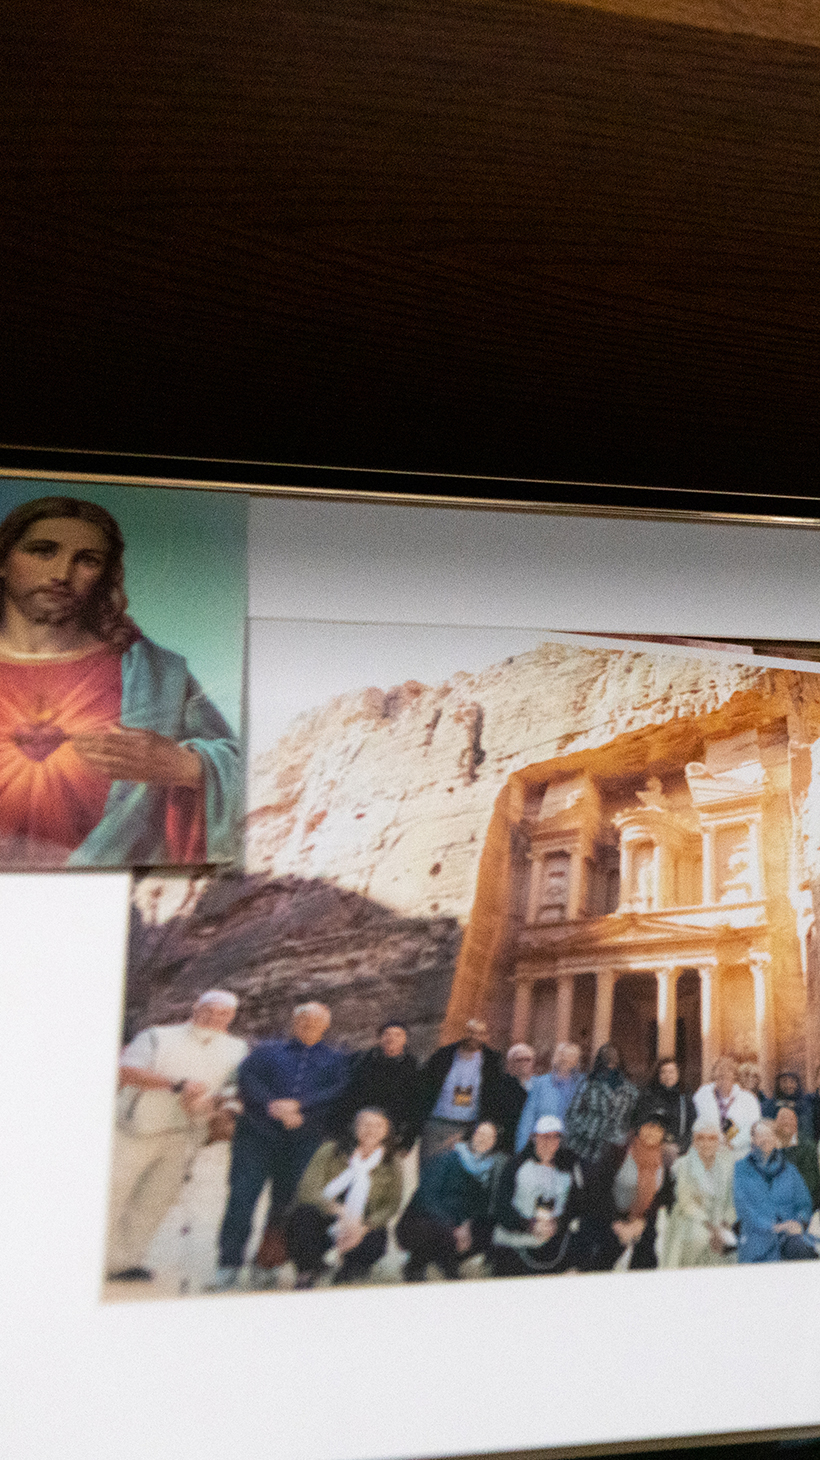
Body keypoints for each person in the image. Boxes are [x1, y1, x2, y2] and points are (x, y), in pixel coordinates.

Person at [0, 495, 240, 867]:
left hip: (116, 901)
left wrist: (185, 766)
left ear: (105, 575)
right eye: (43, 551)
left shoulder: (156, 674)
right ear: (4, 561)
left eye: (87, 560)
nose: (62, 573)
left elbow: (242, 768)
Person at [107, 990, 248, 1281]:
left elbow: (233, 1089)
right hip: (138, 1127)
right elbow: (126, 1071)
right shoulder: (158, 1036)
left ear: (232, 1017)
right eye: (209, 1009)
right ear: (195, 1007)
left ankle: (123, 1263)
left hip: (186, 1135)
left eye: (224, 1013)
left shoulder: (236, 1048)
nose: (215, 1017)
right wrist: (176, 1085)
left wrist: (218, 1105)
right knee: (113, 1193)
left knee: (155, 1200)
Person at [213, 1002, 349, 1289]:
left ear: (326, 1026)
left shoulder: (335, 1059)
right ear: (293, 1021)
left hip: (303, 1140)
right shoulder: (265, 1052)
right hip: (256, 1137)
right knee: (241, 1198)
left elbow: (337, 1090)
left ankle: (268, 1260)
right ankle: (228, 1262)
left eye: (316, 1021)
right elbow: (247, 1079)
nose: (309, 1025)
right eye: (303, 1019)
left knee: (285, 1203)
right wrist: (272, 1105)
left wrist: (299, 1105)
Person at [283, 1109, 403, 1288]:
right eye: (365, 1124)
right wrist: (340, 1211)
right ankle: (308, 1270)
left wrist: (363, 1227)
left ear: (387, 1131)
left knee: (376, 1239)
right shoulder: (331, 1150)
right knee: (303, 1217)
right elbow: (307, 1190)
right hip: (327, 1212)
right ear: (354, 1127)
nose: (371, 1130)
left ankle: (350, 1272)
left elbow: (391, 1205)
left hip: (362, 1221)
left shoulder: (391, 1163)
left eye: (378, 1125)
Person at [396, 1121, 502, 1281]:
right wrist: (453, 1227)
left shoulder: (485, 1171)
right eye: (480, 1134)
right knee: (436, 1232)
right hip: (422, 1220)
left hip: (455, 1226)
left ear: (494, 1142)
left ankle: (444, 1260)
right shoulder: (448, 1158)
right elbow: (426, 1198)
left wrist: (466, 1225)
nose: (483, 1139)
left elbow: (478, 1205)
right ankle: (424, 1266)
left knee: (485, 1229)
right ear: (472, 1135)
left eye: (489, 1136)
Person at [574, 1105, 674, 1272]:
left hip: (641, 1221)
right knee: (601, 1262)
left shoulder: (664, 1159)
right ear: (638, 1128)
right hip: (608, 1217)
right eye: (648, 1126)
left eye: (658, 1129)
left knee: (645, 1264)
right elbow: (598, 1190)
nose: (652, 1132)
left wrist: (641, 1223)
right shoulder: (619, 1152)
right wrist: (617, 1224)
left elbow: (662, 1197)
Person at [490, 1115, 577, 1277]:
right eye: (544, 1137)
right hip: (516, 1242)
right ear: (534, 1138)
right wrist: (529, 1225)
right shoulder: (515, 1165)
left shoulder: (566, 1170)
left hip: (552, 1243)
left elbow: (572, 1207)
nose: (548, 1143)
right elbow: (501, 1208)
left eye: (554, 1137)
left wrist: (556, 1224)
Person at [417, 1018, 507, 1162]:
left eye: (479, 1033)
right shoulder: (443, 1055)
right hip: (438, 1125)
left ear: (486, 1036)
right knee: (430, 1171)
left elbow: (495, 1096)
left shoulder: (492, 1061)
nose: (473, 1036)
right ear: (463, 1032)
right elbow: (424, 1086)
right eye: (470, 1032)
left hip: (468, 1128)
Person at [733, 1118, 818, 1262]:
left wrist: (799, 1223)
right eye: (761, 1135)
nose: (766, 1139)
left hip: (789, 1234)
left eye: (770, 1135)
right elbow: (744, 1209)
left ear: (776, 1140)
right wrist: (773, 1227)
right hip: (757, 1234)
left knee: (805, 1250)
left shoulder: (790, 1170)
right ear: (752, 1139)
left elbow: (804, 1204)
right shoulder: (740, 1170)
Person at [661, 1116, 737, 1269]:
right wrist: (712, 1228)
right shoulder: (683, 1165)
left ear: (718, 1142)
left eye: (712, 1139)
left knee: (732, 1245)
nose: (706, 1143)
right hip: (691, 1219)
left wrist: (725, 1223)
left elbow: (732, 1201)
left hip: (720, 1221)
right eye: (701, 1138)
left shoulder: (727, 1166)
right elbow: (686, 1202)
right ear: (694, 1141)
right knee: (699, 1238)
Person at [336, 1022, 419, 1152]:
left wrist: (408, 1139)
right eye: (387, 1034)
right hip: (360, 1126)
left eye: (398, 1035)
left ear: (405, 1039)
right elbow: (348, 1094)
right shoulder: (363, 1061)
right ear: (379, 1038)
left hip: (392, 1131)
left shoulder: (413, 1067)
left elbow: (415, 1105)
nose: (391, 1038)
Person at [563, 1043, 638, 1165]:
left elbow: (634, 1118)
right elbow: (572, 1115)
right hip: (587, 1148)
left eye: (614, 1058)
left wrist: (624, 1136)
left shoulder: (630, 1090)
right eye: (606, 1058)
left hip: (617, 1150)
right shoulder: (588, 1085)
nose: (610, 1063)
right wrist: (587, 1129)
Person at [515, 1042, 586, 1153]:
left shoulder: (584, 1085)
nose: (566, 1060)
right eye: (562, 1056)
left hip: (571, 1148)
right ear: (556, 1058)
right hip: (542, 1144)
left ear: (577, 1061)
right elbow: (527, 1118)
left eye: (571, 1057)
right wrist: (521, 1151)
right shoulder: (540, 1084)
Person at [693, 1056, 760, 1159]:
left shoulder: (748, 1098)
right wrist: (711, 1142)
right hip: (707, 1150)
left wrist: (733, 1143)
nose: (724, 1072)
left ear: (735, 1075)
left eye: (729, 1069)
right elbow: (696, 1122)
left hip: (739, 1152)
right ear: (714, 1074)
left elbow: (753, 1127)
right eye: (720, 1069)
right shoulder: (702, 1094)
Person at [633, 1057, 696, 1160]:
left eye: (671, 1072)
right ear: (658, 1075)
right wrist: (660, 1145)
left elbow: (692, 1124)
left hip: (679, 1151)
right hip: (653, 1151)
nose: (668, 1076)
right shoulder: (648, 1096)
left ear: (678, 1074)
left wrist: (682, 1147)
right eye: (663, 1072)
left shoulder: (685, 1096)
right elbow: (641, 1124)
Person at [773, 1106, 820, 1210]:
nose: (786, 1122)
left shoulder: (808, 1147)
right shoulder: (769, 1148)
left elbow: (810, 1184)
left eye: (790, 1119)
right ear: (775, 1124)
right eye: (782, 1119)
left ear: (796, 1125)